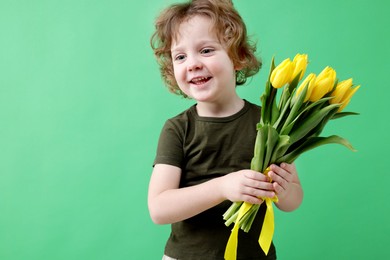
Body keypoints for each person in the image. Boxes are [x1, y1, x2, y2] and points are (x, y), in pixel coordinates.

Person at [148, 0, 303, 259]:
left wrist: (285, 189)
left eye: (206, 50)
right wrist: (222, 187)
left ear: (239, 56)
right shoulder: (177, 129)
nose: (192, 64)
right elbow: (159, 208)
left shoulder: (268, 123)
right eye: (180, 56)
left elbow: (294, 199)